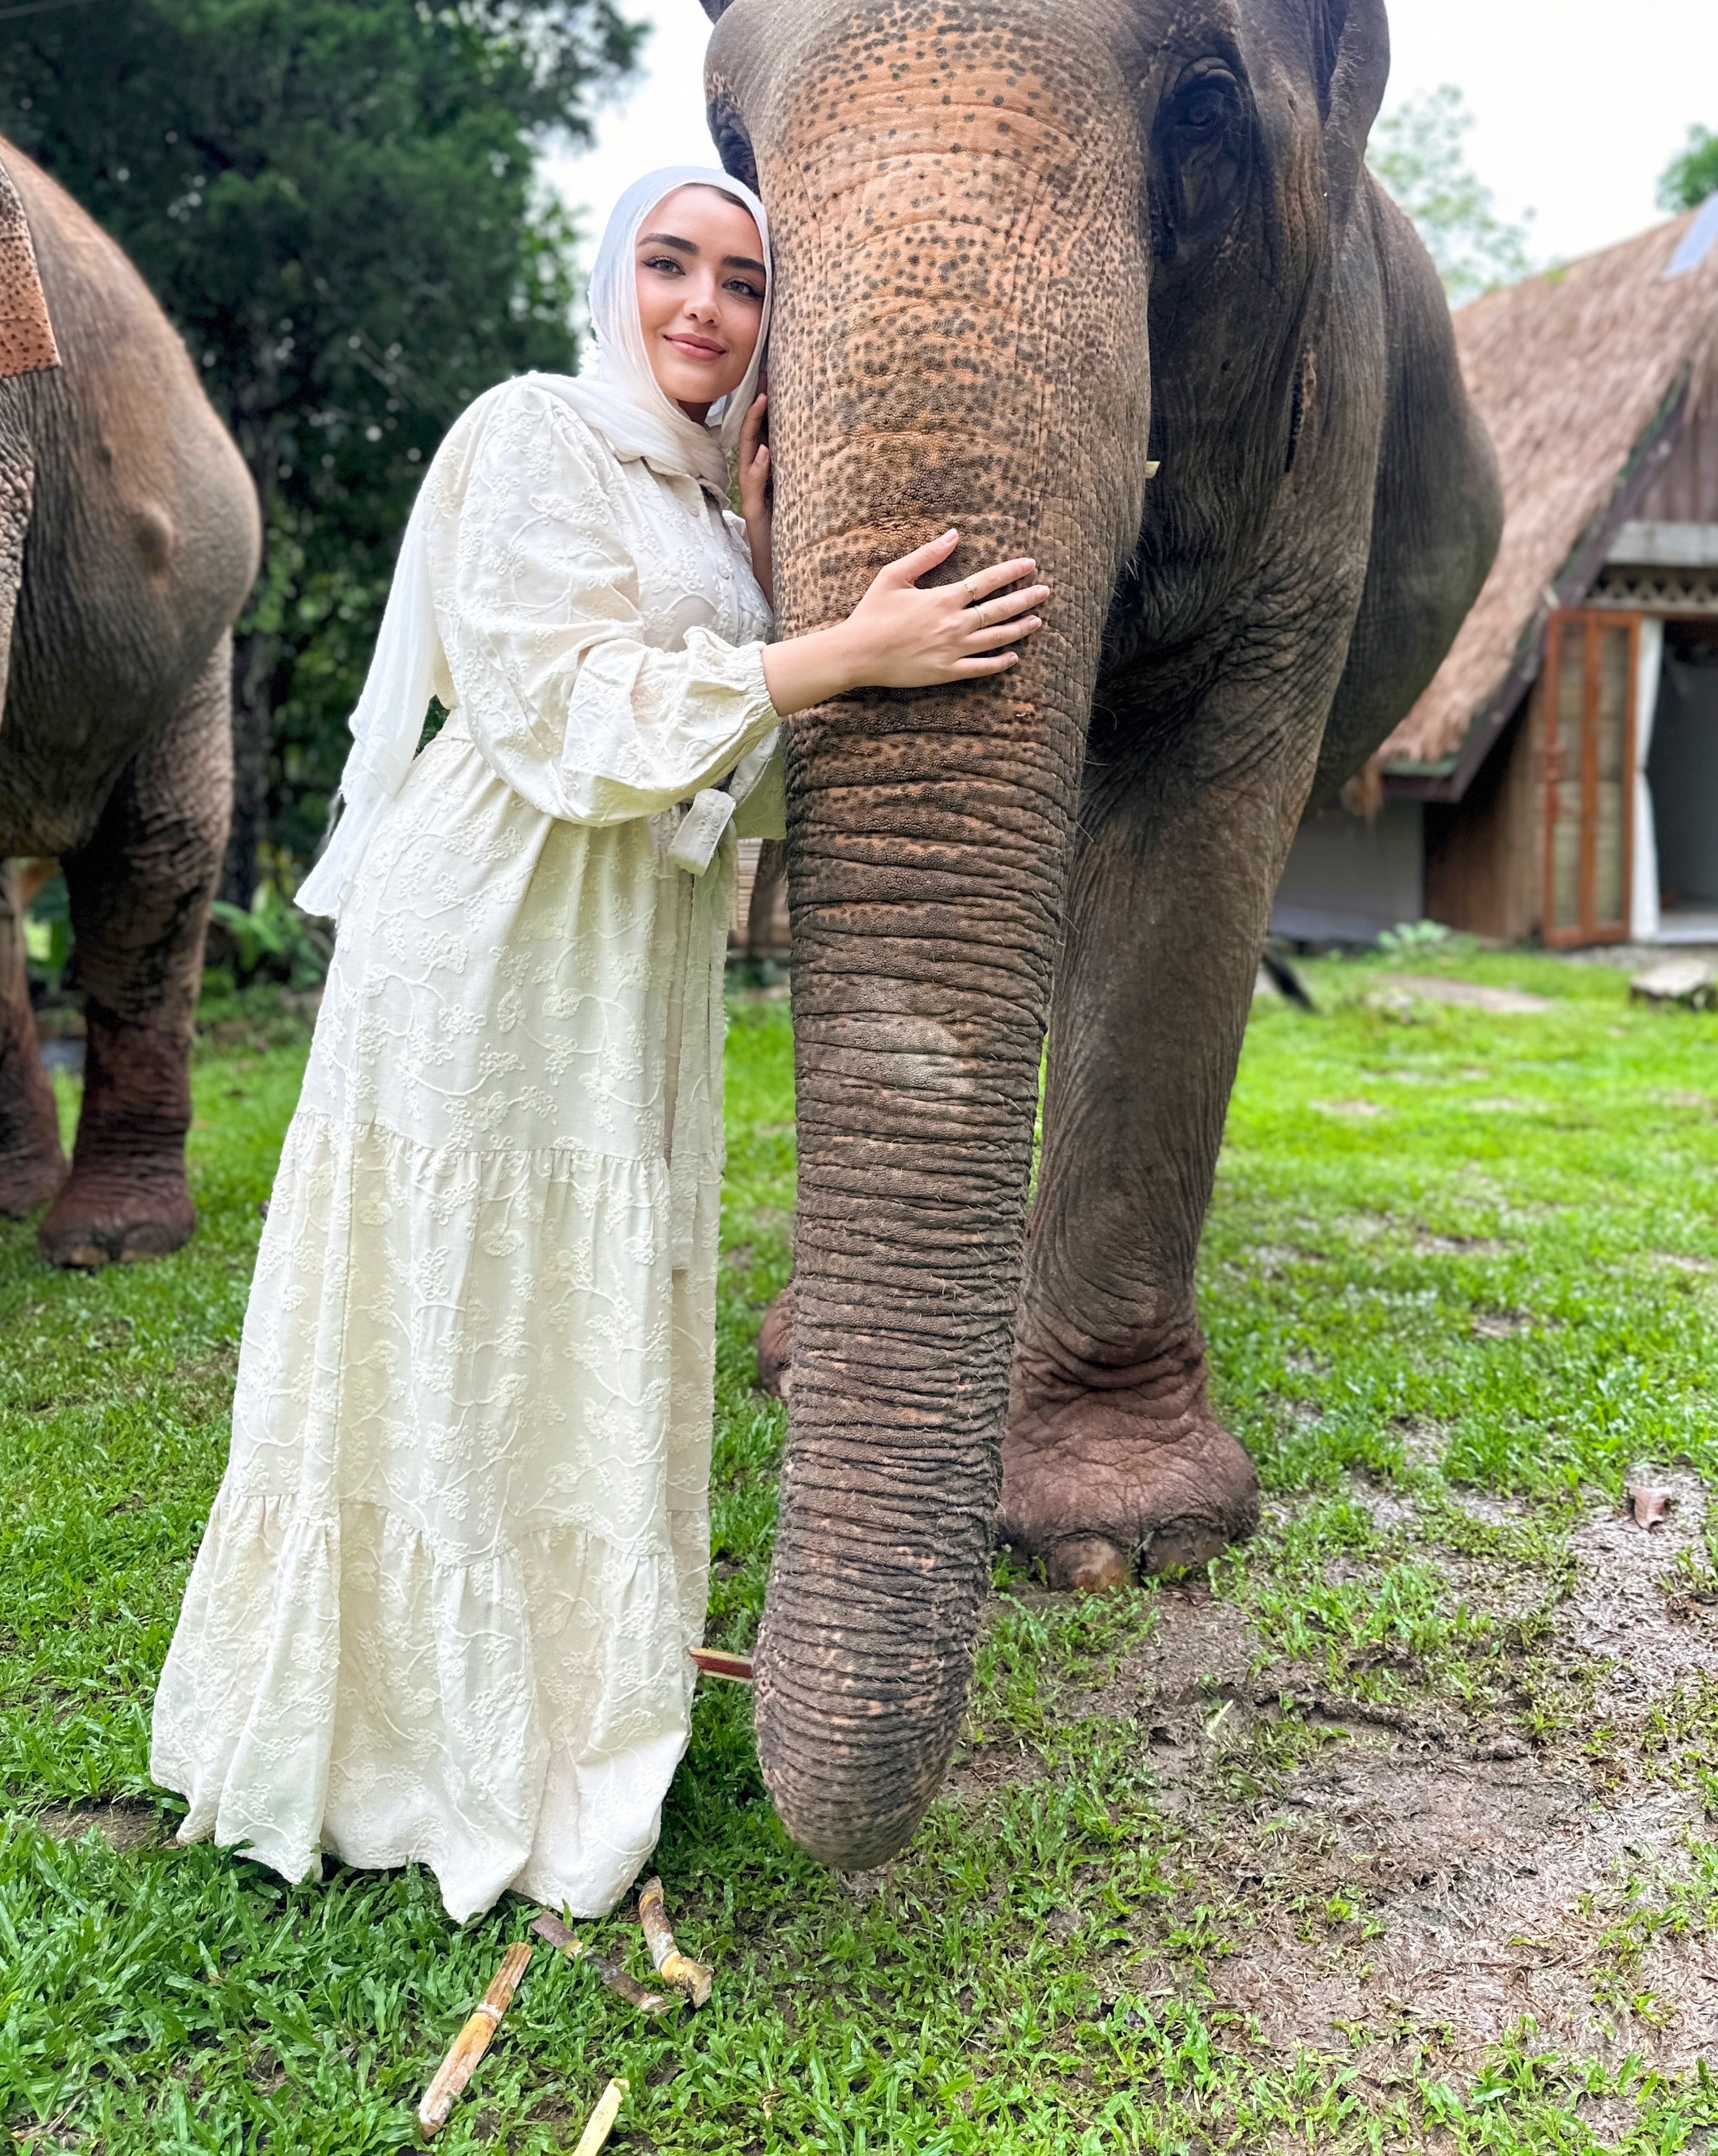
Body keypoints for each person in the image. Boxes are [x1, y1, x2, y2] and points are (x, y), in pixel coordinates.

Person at [150, 165, 1048, 1922]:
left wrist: (812, 611)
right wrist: (837, 653)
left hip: (622, 960)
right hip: (489, 941)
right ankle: (393, 1740)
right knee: (450, 1305)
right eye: (669, 265)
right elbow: (557, 707)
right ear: (611, 274)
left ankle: (554, 1711)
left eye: (741, 282)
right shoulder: (532, 431)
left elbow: (738, 775)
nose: (702, 309)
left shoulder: (717, 512)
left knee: (571, 1318)